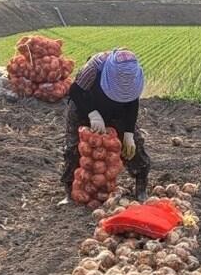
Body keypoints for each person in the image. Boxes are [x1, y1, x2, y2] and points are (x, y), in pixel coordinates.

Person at [61, 48, 149, 203]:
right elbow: (75, 90)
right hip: (84, 105)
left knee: (134, 147)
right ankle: (70, 192)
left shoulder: (135, 76)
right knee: (73, 148)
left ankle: (141, 188)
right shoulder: (95, 67)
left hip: (117, 111)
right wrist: (92, 113)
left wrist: (128, 134)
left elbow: (132, 103)